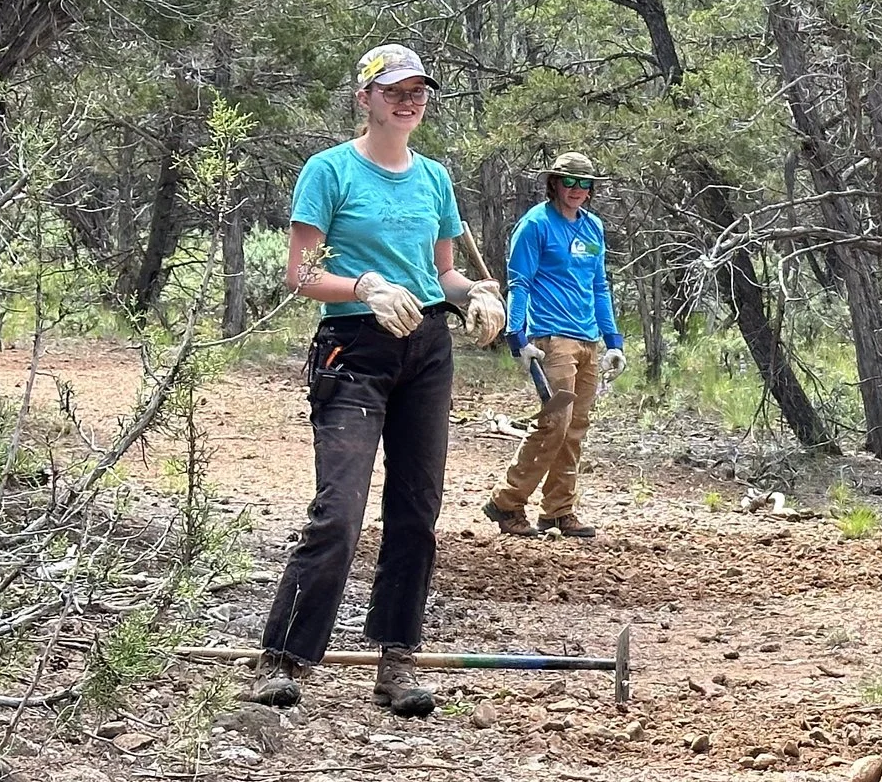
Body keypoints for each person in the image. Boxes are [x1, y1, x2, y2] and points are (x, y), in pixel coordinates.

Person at [248, 45, 505, 717]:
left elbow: (442, 271)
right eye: (394, 89)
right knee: (339, 509)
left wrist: (474, 293)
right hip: (354, 345)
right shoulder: (328, 170)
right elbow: (299, 273)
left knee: (417, 509)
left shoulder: (435, 178)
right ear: (365, 97)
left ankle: (397, 661)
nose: (409, 99)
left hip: (424, 345)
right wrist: (362, 284)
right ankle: (281, 657)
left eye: (418, 89)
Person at [482, 152, 625, 541]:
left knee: (575, 427)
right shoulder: (535, 226)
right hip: (551, 340)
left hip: (587, 340)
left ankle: (558, 511)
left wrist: (613, 341)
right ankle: (508, 501)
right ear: (554, 184)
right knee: (554, 422)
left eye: (584, 184)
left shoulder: (593, 228)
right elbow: (520, 283)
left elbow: (599, 286)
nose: (577, 191)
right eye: (570, 182)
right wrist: (518, 336)